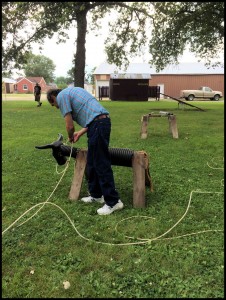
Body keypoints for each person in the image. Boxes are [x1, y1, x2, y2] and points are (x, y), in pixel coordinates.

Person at [46, 87, 123, 215]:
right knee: (92, 162)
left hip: (98, 125)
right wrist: (80, 133)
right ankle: (97, 195)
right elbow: (93, 116)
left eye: (53, 104)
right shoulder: (73, 91)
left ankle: (114, 202)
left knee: (101, 163)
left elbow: (69, 125)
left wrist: (70, 136)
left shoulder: (61, 96)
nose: (57, 107)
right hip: (97, 124)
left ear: (53, 97)